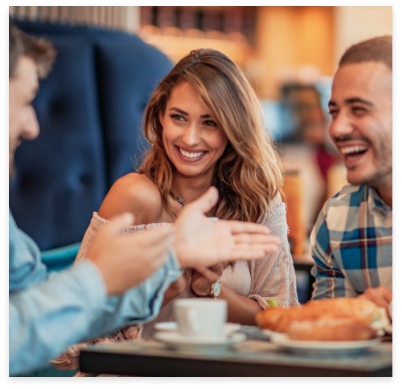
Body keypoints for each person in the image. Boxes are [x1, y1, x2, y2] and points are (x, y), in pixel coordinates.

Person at [9, 21, 282, 376]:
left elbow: (284, 316)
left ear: (234, 129)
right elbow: (68, 349)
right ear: (160, 119)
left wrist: (209, 288)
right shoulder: (135, 195)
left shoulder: (259, 197)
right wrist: (169, 278)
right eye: (178, 118)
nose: (190, 137)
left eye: (211, 122)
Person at [310, 35, 392, 311]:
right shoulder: (337, 219)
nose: (337, 129)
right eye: (334, 112)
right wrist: (358, 317)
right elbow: (329, 342)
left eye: (359, 109)